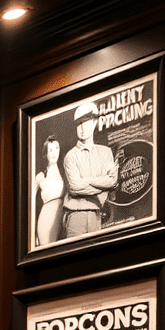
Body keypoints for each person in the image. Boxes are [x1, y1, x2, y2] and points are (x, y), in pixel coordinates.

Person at [62, 100, 119, 240]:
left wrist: (86, 181)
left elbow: (112, 182)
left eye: (85, 122)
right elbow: (75, 187)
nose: (82, 128)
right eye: (79, 124)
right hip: (75, 216)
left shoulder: (105, 152)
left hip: (97, 215)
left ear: (94, 123)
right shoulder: (70, 156)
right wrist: (103, 185)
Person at [34, 136, 64, 245]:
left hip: (62, 219)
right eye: (50, 150)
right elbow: (30, 207)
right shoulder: (40, 177)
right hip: (46, 221)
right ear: (45, 154)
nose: (54, 153)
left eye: (56, 148)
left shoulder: (64, 172)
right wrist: (32, 234)